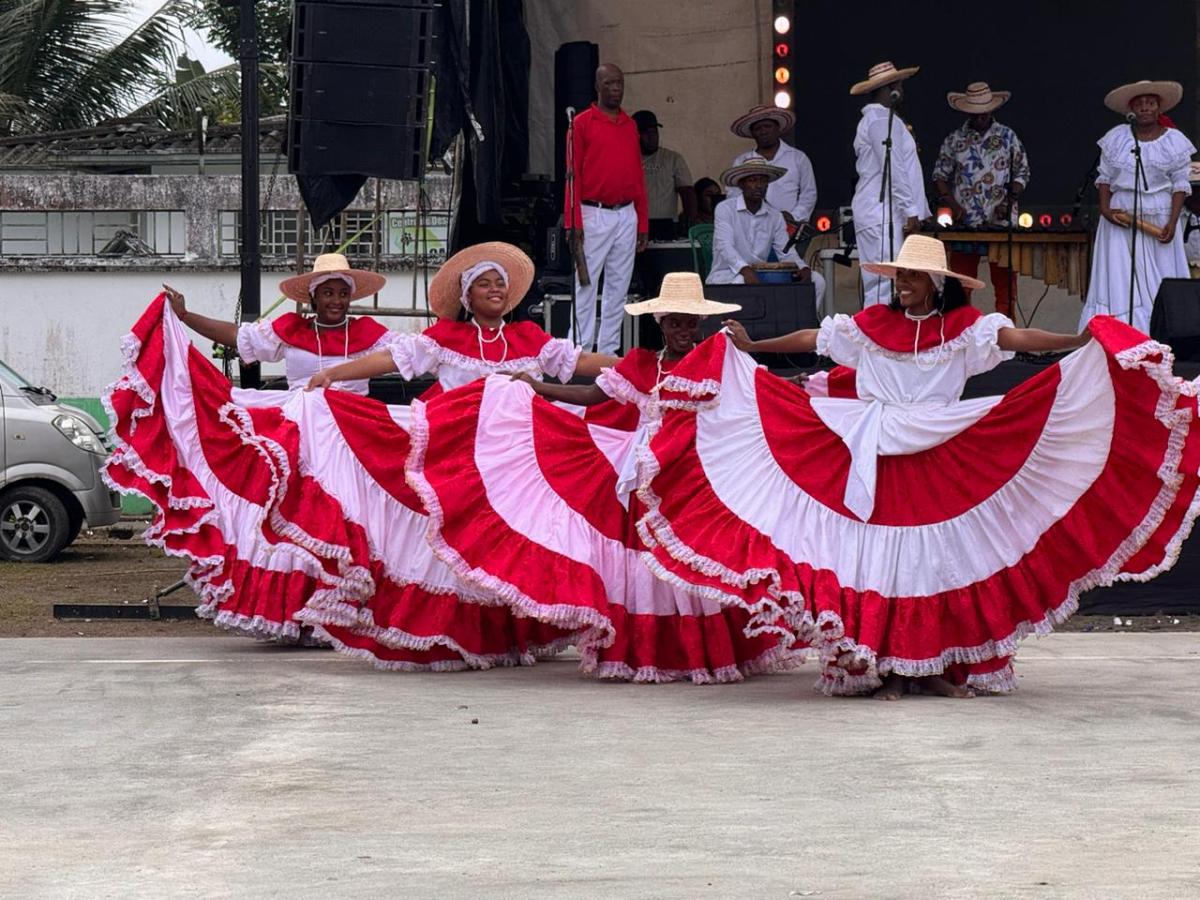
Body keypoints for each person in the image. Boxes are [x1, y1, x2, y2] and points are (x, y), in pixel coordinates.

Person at [637, 234, 1200, 699]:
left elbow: (1015, 336)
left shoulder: (962, 331)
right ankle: (880, 663)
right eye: (898, 277)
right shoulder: (870, 325)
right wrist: (756, 347)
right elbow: (816, 337)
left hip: (939, 447)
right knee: (877, 561)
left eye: (911, 278)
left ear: (936, 284)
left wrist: (1076, 339)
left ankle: (929, 663)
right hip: (872, 446)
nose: (900, 285)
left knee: (935, 560)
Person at [405, 272, 801, 682]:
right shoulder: (642, 364)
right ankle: (648, 647)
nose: (683, 330)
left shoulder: (718, 359)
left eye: (689, 322)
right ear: (660, 323)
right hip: (645, 470)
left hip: (694, 470)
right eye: (675, 322)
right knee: (647, 558)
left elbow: (761, 389)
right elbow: (592, 395)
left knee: (694, 552)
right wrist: (537, 388)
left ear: (699, 324)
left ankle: (706, 647)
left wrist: (797, 384)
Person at [298, 242, 621, 669]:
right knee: (454, 543)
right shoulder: (445, 338)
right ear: (466, 299)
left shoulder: (529, 338)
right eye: (483, 284)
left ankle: (509, 631)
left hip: (515, 466)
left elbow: (579, 362)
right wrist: (335, 373)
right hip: (458, 461)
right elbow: (392, 359)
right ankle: (450, 631)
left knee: (513, 541)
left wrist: (637, 366)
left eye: (499, 284)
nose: (494, 290)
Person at [163, 252, 393, 396]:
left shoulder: (367, 332)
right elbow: (236, 335)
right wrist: (184, 315)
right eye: (328, 293)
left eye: (343, 294)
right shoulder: (292, 329)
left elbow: (410, 352)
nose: (336, 301)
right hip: (300, 423)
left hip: (356, 426)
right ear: (314, 297)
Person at [1079, 80, 1195, 333]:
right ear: (1131, 109)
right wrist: (1106, 210)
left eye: (1150, 103)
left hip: (1160, 214)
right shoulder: (1118, 137)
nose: (1145, 108)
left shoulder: (1174, 140)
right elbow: (1105, 178)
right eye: (1139, 104)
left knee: (1162, 273)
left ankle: (1163, 331)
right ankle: (1122, 332)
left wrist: (1173, 222)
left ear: (1159, 108)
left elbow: (1180, 183)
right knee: (1122, 276)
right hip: (1122, 215)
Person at [564, 63, 649, 354]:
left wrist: (643, 224)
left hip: (626, 213)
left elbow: (638, 177)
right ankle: (580, 348)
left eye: (620, 83)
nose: (616, 88)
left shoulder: (629, 124)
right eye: (610, 83)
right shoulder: (582, 123)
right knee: (586, 283)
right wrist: (573, 223)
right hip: (593, 212)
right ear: (598, 87)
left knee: (619, 286)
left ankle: (609, 349)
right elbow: (571, 178)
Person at [931, 82, 1031, 317]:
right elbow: (939, 176)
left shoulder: (1008, 136)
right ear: (967, 111)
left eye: (984, 111)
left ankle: (1006, 341)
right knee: (961, 288)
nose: (981, 116)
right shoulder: (955, 139)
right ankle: (961, 335)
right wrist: (953, 206)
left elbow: (1022, 172)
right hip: (965, 223)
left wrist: (1009, 200)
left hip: (1001, 223)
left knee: (1005, 290)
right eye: (976, 112)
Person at [850, 61, 930, 306]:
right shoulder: (880, 120)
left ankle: (885, 338)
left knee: (891, 281)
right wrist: (911, 212)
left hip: (884, 213)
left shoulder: (886, 119)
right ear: (892, 87)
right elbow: (894, 168)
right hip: (882, 213)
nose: (902, 91)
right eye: (900, 85)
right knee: (884, 282)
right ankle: (876, 340)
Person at [707, 157, 827, 305]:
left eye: (763, 181)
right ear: (741, 184)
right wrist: (744, 269)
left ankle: (805, 325)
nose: (759, 186)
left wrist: (803, 267)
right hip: (727, 274)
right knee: (741, 282)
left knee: (818, 281)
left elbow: (785, 251)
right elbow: (725, 246)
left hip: (761, 275)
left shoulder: (775, 215)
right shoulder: (725, 209)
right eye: (752, 180)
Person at [727, 104, 818, 228]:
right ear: (752, 133)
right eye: (758, 128)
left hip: (791, 228)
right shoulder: (742, 161)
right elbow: (733, 195)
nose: (763, 131)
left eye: (768, 126)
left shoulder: (798, 158)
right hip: (753, 228)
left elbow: (809, 193)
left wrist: (794, 217)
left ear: (778, 128)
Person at [633, 109, 697, 239]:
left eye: (654, 132)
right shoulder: (626, 158)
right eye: (646, 133)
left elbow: (687, 192)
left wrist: (690, 222)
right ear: (635, 134)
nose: (652, 137)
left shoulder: (672, 158)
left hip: (665, 224)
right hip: (633, 224)